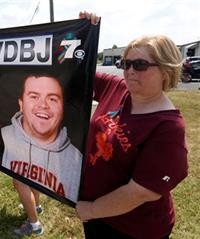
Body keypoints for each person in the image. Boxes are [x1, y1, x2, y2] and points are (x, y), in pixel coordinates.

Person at [76, 12, 188, 239]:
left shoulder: (167, 127)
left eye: (140, 65)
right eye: (125, 63)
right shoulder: (117, 88)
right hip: (98, 216)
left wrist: (91, 209)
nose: (129, 71)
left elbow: (140, 192)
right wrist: (82, 33)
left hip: (135, 229)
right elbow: (76, 71)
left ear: (166, 72)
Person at [1, 74, 83, 236]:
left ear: (61, 108)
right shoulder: (6, 135)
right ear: (21, 104)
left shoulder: (74, 157)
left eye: (52, 99)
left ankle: (34, 224)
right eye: (34, 96)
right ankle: (36, 206)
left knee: (21, 182)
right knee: (28, 178)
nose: (43, 105)